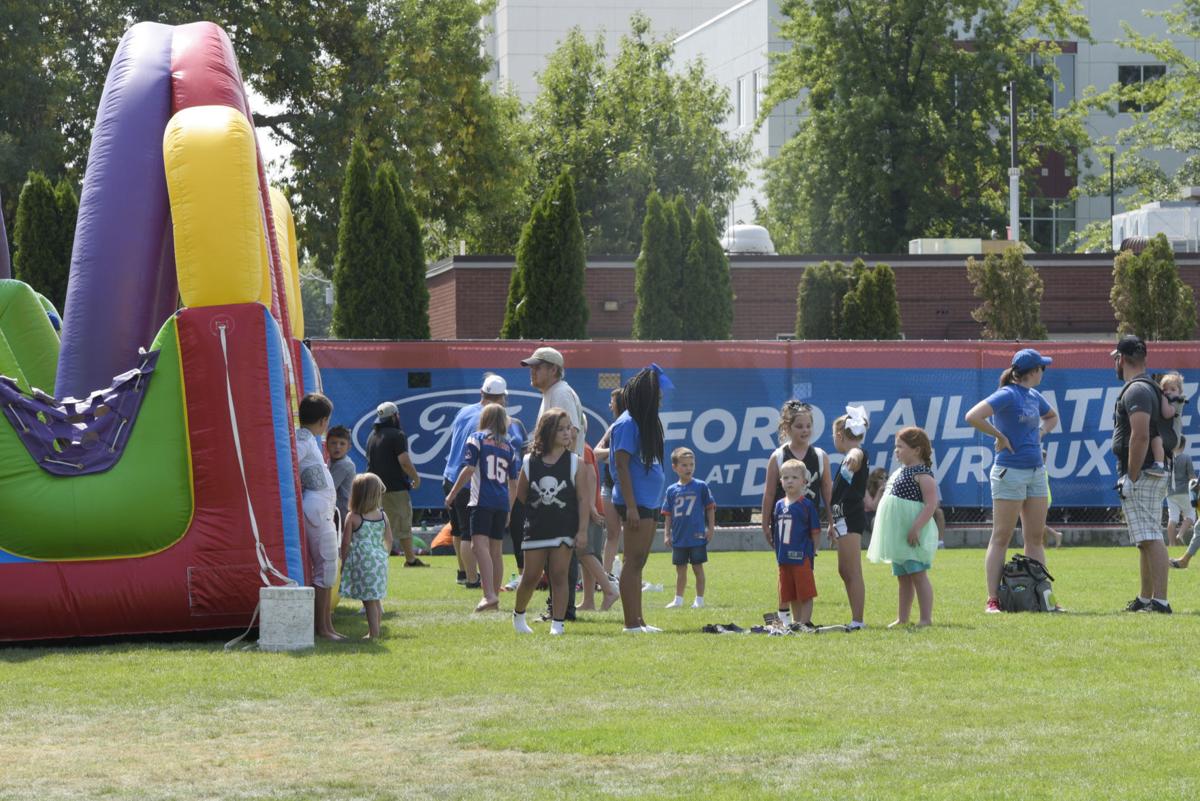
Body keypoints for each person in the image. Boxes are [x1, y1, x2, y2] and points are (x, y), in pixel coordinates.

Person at [964, 348, 1059, 613]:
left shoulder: (1034, 395)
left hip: (1036, 472)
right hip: (1009, 472)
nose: (1044, 372)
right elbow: (973, 416)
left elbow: (1052, 418)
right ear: (1033, 371)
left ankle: (1043, 597)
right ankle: (993, 600)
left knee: (1035, 538)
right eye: (1042, 368)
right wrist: (999, 436)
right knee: (1002, 536)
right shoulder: (1008, 393)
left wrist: (1040, 433)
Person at [510, 409, 591, 635]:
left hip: (564, 529)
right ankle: (518, 616)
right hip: (535, 529)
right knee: (530, 577)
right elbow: (522, 494)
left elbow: (583, 499)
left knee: (559, 574)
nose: (568, 433)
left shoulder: (576, 462)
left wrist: (582, 530)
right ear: (547, 432)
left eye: (569, 428)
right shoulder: (529, 461)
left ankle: (558, 623)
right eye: (562, 429)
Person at [521, 346, 587, 618]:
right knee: (557, 546)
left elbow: (570, 432)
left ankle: (564, 609)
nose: (532, 372)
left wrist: (563, 471)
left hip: (562, 478)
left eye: (538, 366)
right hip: (556, 476)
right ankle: (561, 607)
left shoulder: (559, 393)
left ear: (554, 370)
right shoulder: (553, 392)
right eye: (532, 366)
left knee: (562, 546)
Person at [1111, 335, 1172, 613]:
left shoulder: (1136, 390)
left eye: (1116, 358)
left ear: (1122, 359)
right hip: (1150, 470)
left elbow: (1140, 436)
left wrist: (1131, 477)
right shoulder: (1152, 387)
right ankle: (1146, 598)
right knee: (1144, 539)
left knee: (1150, 536)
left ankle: (1160, 601)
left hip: (1143, 471)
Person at [760, 400, 831, 626]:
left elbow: (827, 491)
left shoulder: (820, 455)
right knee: (787, 572)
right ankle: (789, 619)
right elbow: (770, 493)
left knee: (804, 572)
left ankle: (803, 620)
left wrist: (832, 519)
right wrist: (764, 523)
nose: (805, 430)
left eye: (808, 425)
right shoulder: (778, 456)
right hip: (784, 528)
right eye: (799, 426)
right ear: (787, 428)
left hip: (806, 528)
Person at [445, 403, 521, 612]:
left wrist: (452, 494)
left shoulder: (476, 438)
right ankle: (493, 596)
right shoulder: (509, 447)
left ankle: (488, 595)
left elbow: (469, 469)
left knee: (478, 547)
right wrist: (510, 509)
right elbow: (514, 484)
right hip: (501, 502)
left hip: (481, 500)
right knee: (496, 551)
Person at [610, 366, 668, 633]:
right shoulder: (626, 423)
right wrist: (631, 506)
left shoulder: (643, 423)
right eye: (657, 395)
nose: (661, 399)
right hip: (636, 504)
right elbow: (621, 466)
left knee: (639, 562)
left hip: (649, 502)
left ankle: (639, 620)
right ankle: (630, 623)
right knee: (632, 562)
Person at [441, 374, 514, 586]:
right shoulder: (489, 424)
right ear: (501, 398)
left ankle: (463, 572)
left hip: (449, 474)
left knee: (457, 529)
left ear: (481, 393)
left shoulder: (464, 411)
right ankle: (473, 578)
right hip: (469, 481)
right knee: (468, 535)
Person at [867, 427, 939, 628]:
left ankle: (925, 618)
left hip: (911, 534)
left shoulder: (922, 474)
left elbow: (931, 504)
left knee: (918, 574)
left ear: (916, 450)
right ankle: (903, 617)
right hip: (899, 535)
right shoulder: (900, 471)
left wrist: (916, 527)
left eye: (900, 447)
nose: (896, 451)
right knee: (903, 577)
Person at [296, 392, 343, 640]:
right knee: (325, 568)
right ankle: (322, 628)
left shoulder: (307, 439)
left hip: (320, 508)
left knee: (327, 569)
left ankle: (327, 626)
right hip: (316, 509)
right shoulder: (302, 442)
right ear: (324, 421)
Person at [367, 401, 426, 567]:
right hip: (395, 489)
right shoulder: (397, 434)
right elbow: (404, 461)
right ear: (394, 416)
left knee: (382, 527)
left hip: (376, 490)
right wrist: (416, 477)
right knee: (402, 525)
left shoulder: (373, 436)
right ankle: (409, 560)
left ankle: (409, 559)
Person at [829, 406, 870, 630]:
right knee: (844, 570)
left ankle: (858, 620)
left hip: (851, 519)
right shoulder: (845, 459)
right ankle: (856, 618)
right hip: (841, 519)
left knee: (852, 570)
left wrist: (854, 453)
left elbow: (858, 453)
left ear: (839, 435)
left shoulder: (855, 454)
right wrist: (833, 522)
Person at [769, 460, 821, 631]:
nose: (789, 481)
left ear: (804, 482)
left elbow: (815, 530)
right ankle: (796, 622)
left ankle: (805, 623)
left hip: (801, 556)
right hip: (783, 557)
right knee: (790, 593)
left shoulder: (806, 505)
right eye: (785, 477)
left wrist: (814, 550)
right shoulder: (778, 505)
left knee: (805, 592)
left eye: (794, 477)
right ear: (780, 481)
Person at [339, 473, 392, 639]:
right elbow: (389, 539)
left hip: (362, 561)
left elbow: (346, 543)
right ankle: (376, 630)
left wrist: (344, 560)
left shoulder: (353, 517)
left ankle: (373, 633)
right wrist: (384, 555)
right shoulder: (382, 516)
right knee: (375, 598)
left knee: (368, 600)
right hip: (379, 560)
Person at [661, 447, 716, 610]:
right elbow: (668, 514)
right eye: (684, 465)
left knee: (697, 567)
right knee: (680, 570)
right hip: (679, 536)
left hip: (697, 535)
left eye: (691, 464)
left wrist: (710, 528)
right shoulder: (671, 490)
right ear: (675, 467)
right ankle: (678, 599)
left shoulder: (701, 486)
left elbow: (710, 507)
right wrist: (666, 534)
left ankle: (699, 599)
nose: (688, 468)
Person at [578, 435, 620, 612]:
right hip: (591, 507)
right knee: (588, 555)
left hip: (590, 509)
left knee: (583, 551)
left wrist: (589, 506)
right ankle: (588, 601)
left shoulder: (583, 449)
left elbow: (591, 477)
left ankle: (608, 589)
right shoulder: (583, 448)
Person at [594, 387, 627, 573]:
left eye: (612, 402)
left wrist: (614, 455)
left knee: (631, 534)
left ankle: (629, 575)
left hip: (630, 487)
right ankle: (606, 577)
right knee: (613, 533)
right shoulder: (613, 428)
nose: (609, 405)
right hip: (609, 486)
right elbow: (597, 453)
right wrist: (614, 452)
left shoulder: (630, 426)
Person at [1150, 371, 1188, 473]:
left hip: (1173, 436)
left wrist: (1162, 396)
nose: (1168, 392)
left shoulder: (1177, 401)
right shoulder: (1166, 400)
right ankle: (1166, 464)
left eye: (1173, 389)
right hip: (1167, 434)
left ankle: (1159, 466)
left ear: (1180, 392)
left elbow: (1167, 413)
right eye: (1164, 389)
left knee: (1156, 440)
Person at [1166, 436, 1196, 548]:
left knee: (1172, 518)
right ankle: (1180, 534)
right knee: (1191, 515)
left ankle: (1171, 543)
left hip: (1169, 492)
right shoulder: (1186, 458)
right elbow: (1192, 477)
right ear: (1183, 445)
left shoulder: (1167, 459)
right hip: (1184, 491)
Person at [325, 425, 355, 526]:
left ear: (349, 447)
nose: (337, 447)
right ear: (326, 445)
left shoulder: (344, 465)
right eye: (333, 443)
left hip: (341, 514)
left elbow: (326, 489)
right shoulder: (331, 461)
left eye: (342, 444)